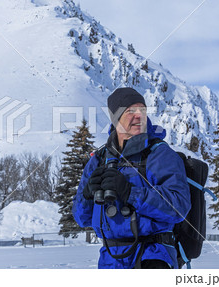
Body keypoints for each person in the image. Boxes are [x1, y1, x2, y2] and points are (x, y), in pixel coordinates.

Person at [72, 87, 191, 269]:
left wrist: (130, 192)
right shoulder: (99, 159)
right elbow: (82, 219)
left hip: (152, 256)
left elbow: (179, 207)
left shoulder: (160, 154)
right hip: (110, 260)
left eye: (142, 110)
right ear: (116, 118)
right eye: (130, 111)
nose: (139, 116)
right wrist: (87, 196)